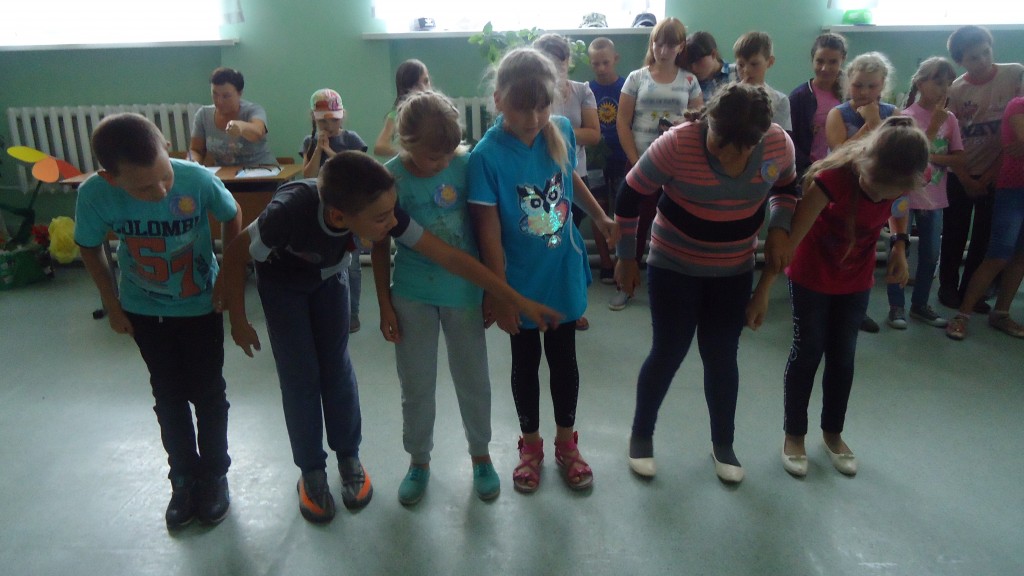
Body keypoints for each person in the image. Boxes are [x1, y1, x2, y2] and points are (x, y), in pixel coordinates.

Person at [216, 151, 560, 523]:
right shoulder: (288, 212)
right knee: (300, 377)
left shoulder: (381, 212)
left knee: (336, 368)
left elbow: (451, 257)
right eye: (383, 218)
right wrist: (238, 319)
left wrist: (517, 300)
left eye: (392, 212)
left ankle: (349, 457)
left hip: (329, 278)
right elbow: (235, 255)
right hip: (282, 285)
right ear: (339, 217)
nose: (393, 223)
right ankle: (311, 470)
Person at [617, 82, 798, 484]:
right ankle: (641, 435)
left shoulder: (777, 145)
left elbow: (787, 189)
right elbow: (629, 195)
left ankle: (723, 443)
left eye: (736, 150)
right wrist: (626, 258)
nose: (722, 155)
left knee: (721, 356)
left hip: (733, 271)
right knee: (668, 351)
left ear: (755, 142)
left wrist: (780, 228)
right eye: (717, 141)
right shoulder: (677, 144)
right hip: (673, 266)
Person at [75, 113, 243, 530]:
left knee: (208, 393)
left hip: (200, 307)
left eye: (164, 177)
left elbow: (232, 213)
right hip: (144, 310)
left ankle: (215, 473)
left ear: (167, 150)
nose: (161, 190)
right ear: (110, 177)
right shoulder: (94, 194)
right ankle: (183, 476)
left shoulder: (196, 179)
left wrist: (228, 277)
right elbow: (89, 246)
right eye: (144, 187)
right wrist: (111, 303)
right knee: (168, 395)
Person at [468, 48, 618, 493]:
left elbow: (570, 179)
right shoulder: (486, 156)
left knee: (564, 360)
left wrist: (600, 218)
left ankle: (567, 443)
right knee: (526, 362)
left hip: (562, 270)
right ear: (498, 100)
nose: (533, 118)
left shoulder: (563, 130)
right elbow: (488, 234)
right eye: (521, 107)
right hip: (518, 281)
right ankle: (530, 445)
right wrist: (501, 295)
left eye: (542, 106)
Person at [780, 116, 928, 478]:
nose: (880, 196)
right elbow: (792, 240)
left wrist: (899, 246)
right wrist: (763, 288)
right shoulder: (832, 179)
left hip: (855, 280)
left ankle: (833, 433)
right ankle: (794, 435)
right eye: (875, 187)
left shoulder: (902, 178)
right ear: (865, 163)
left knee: (843, 357)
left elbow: (898, 209)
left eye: (889, 192)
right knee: (807, 352)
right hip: (812, 276)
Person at [373, 90, 500, 505]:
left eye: (448, 154)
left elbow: (485, 229)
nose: (443, 163)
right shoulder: (391, 178)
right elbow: (378, 244)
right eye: (433, 158)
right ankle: (418, 460)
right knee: (416, 384)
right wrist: (384, 303)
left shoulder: (466, 165)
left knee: (473, 379)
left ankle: (481, 455)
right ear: (406, 143)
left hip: (464, 293)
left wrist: (490, 290)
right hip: (412, 295)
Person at [613, 17, 703, 312]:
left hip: (677, 167)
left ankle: (672, 287)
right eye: (658, 43)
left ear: (681, 46)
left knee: (675, 224)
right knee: (635, 224)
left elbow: (698, 122)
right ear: (652, 44)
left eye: (670, 45)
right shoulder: (637, 78)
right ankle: (625, 284)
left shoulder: (689, 81)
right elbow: (622, 122)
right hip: (640, 161)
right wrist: (635, 160)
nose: (663, 50)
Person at [938, 26, 1024, 312]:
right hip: (960, 172)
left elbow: (1013, 136)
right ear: (960, 60)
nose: (983, 61)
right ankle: (948, 287)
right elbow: (949, 138)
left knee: (984, 239)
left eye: (986, 52)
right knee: (954, 233)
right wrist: (965, 177)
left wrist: (989, 176)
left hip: (998, 173)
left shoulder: (1014, 75)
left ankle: (972, 292)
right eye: (973, 58)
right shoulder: (956, 89)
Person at [885, 58, 963, 330]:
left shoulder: (950, 119)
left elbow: (958, 158)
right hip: (903, 197)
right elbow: (908, 160)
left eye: (948, 83)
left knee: (930, 254)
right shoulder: (904, 118)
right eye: (938, 82)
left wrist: (933, 157)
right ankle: (896, 306)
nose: (944, 89)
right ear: (920, 83)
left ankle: (920, 304)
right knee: (899, 248)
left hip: (934, 199)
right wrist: (931, 131)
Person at [825, 51, 899, 334]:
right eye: (858, 85)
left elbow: (893, 154)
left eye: (872, 86)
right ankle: (830, 304)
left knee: (864, 255)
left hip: (876, 198)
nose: (865, 92)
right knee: (837, 252)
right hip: (842, 194)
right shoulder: (838, 113)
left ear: (882, 85)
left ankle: (857, 310)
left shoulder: (893, 114)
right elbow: (839, 154)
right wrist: (869, 124)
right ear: (848, 83)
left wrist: (877, 120)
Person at [534, 33, 601, 331]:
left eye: (558, 63)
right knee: (546, 246)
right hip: (540, 181)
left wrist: (551, 134)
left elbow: (593, 134)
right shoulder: (532, 92)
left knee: (568, 246)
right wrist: (566, 133)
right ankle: (545, 302)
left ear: (567, 62)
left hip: (574, 176)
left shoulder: (581, 91)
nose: (553, 69)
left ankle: (573, 305)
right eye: (546, 62)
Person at [947, 95, 1024, 340]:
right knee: (998, 255)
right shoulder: (1018, 104)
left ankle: (1001, 313)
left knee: (1020, 257)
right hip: (1013, 189)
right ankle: (962, 315)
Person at [299, 88, 369, 332]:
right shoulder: (309, 142)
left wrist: (330, 151)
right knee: (323, 263)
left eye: (334, 120)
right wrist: (318, 149)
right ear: (314, 119)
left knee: (352, 266)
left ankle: (352, 313)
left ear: (342, 116)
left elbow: (354, 171)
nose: (329, 125)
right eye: (323, 121)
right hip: (321, 211)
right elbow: (308, 175)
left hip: (350, 210)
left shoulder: (352, 139)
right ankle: (328, 312)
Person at [587, 37, 627, 286]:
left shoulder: (627, 87)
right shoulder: (587, 90)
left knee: (623, 209)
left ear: (615, 59)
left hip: (622, 155)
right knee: (598, 208)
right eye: (596, 63)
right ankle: (605, 262)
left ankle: (623, 260)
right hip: (595, 158)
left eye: (605, 62)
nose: (601, 68)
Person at [189, 67, 276, 166]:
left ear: (240, 93)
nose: (219, 101)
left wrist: (241, 127)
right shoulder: (203, 114)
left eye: (226, 96)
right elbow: (195, 150)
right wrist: (192, 162)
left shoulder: (254, 110)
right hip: (225, 174)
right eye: (215, 94)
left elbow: (258, 132)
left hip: (262, 171)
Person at [789, 32, 847, 179]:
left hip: (842, 169)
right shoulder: (799, 97)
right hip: (808, 173)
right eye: (820, 61)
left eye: (833, 62)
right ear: (812, 60)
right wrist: (808, 169)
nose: (825, 68)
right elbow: (791, 140)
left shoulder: (849, 95)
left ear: (843, 60)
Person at [733, 31, 791, 132]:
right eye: (740, 65)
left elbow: (778, 137)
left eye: (754, 64)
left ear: (770, 62)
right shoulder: (729, 97)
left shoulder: (780, 101)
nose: (746, 70)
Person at [373, 59, 431, 158]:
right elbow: (380, 147)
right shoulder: (396, 114)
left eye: (426, 81)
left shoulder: (436, 110)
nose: (423, 88)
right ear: (406, 87)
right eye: (416, 85)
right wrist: (410, 154)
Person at [682, 31, 735, 102]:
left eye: (697, 61)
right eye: (689, 63)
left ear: (713, 54)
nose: (693, 68)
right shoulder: (689, 83)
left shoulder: (738, 72)